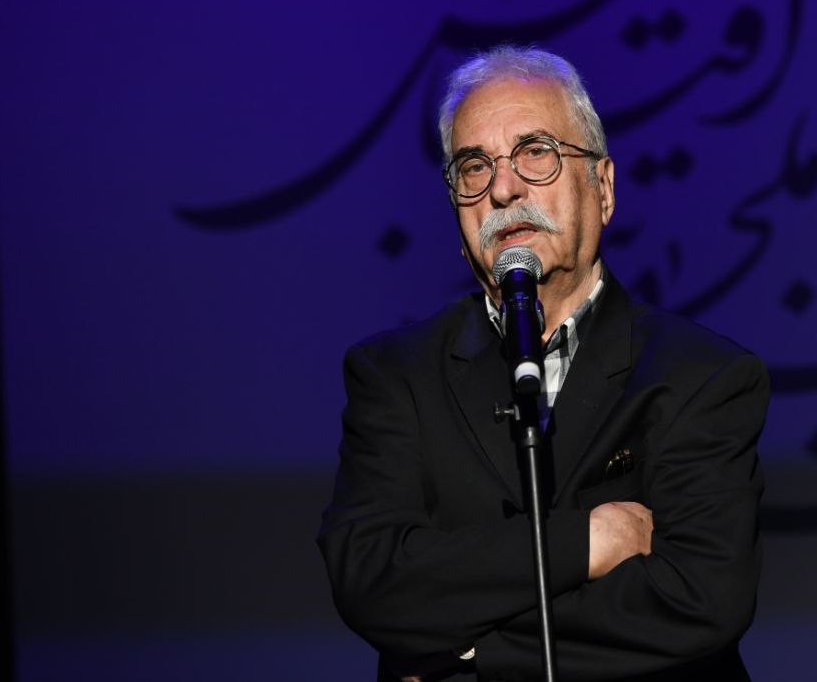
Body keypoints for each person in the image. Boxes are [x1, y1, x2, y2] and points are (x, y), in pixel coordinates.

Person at [318, 45, 770, 681]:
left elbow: (700, 597)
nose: (504, 189)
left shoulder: (703, 377)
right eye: (474, 167)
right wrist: (586, 542)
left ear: (602, 189)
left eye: (536, 153)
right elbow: (372, 579)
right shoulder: (395, 376)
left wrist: (469, 656)